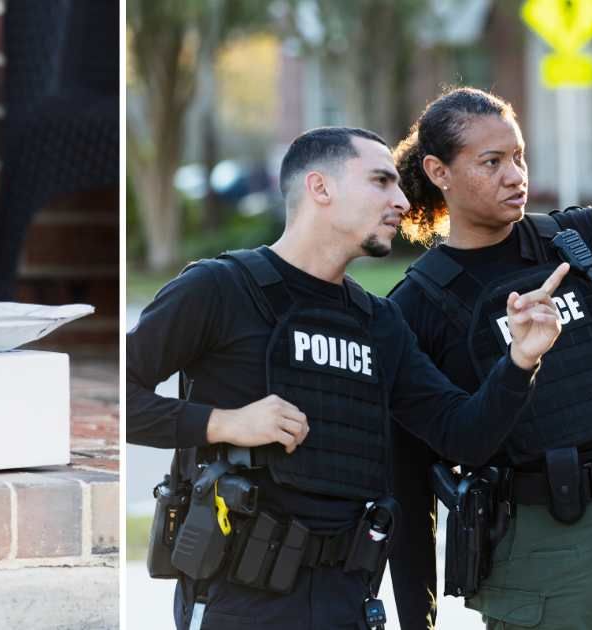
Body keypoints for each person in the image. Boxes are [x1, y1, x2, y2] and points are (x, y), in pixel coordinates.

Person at [127, 126, 568, 630]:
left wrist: (520, 361)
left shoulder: (379, 323)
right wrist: (223, 424)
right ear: (320, 188)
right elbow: (122, 397)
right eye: (381, 181)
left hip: (348, 600)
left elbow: (463, 435)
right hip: (241, 601)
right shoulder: (219, 289)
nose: (401, 200)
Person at [388, 86, 592, 630]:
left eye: (518, 156)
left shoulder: (582, 240)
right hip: (538, 537)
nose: (516, 176)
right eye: (491, 162)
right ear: (438, 172)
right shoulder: (414, 307)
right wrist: (416, 618)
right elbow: (407, 481)